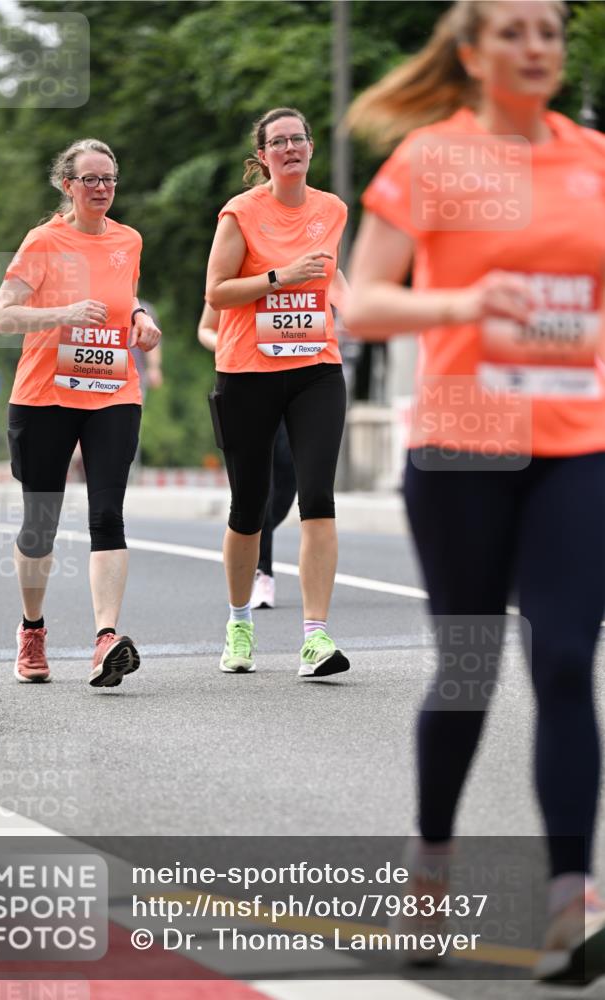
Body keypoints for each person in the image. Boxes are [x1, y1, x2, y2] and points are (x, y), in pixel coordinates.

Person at [344, 0, 605, 984]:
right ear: (470, 52)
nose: (535, 45)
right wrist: (462, 300)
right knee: (466, 669)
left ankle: (570, 903)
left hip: (580, 439)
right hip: (466, 438)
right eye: (512, 30)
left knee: (568, 655)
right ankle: (433, 863)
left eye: (549, 29)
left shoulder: (592, 157)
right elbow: (359, 302)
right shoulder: (431, 158)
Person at [0, 138, 161, 688]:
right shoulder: (44, 242)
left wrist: (140, 318)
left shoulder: (128, 240)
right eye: (90, 179)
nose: (102, 189)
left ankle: (106, 639)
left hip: (112, 391)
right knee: (40, 524)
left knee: (108, 513)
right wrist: (63, 311)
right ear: (68, 185)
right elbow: (1, 317)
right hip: (44, 396)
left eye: (109, 179)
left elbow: (123, 296)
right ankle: (32, 629)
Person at [205, 106, 350, 678]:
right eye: (278, 142)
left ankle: (315, 637)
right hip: (247, 371)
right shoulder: (241, 212)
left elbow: (332, 277)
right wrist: (279, 278)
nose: (290, 148)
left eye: (299, 139)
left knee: (318, 495)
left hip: (316, 366)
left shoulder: (333, 209)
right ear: (261, 156)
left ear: (311, 149)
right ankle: (239, 623)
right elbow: (216, 293)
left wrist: (359, 307)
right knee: (250, 507)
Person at [198, 302, 297, 609]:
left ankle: (251, 539)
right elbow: (206, 329)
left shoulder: (301, 268)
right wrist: (230, 344)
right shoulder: (231, 275)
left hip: (294, 385)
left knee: (287, 476)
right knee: (257, 489)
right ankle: (262, 572)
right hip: (247, 384)